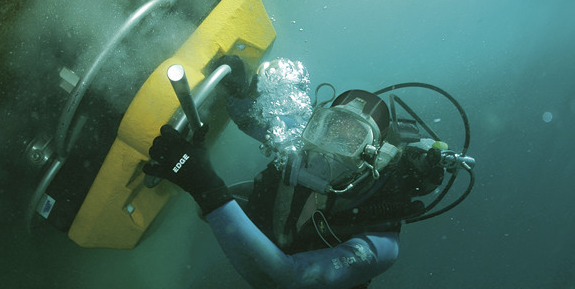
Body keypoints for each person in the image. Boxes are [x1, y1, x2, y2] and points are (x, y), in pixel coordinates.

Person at [144, 58, 451, 288]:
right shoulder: (304, 143)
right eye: (329, 129)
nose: (329, 148)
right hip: (255, 237)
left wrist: (207, 188)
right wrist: (238, 90)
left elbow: (290, 277)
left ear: (370, 155)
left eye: (350, 140)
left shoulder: (380, 243)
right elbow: (253, 119)